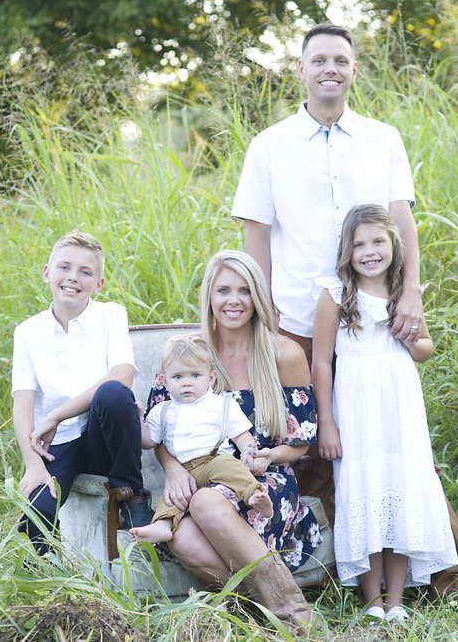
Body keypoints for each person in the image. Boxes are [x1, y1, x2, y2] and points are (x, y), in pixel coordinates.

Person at [231, 21, 458, 599]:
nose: (330, 69)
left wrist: (411, 290)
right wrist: (262, 328)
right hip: (297, 323)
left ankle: (439, 571)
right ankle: (331, 575)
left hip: (375, 316)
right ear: (301, 70)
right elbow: (255, 243)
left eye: (340, 60)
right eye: (319, 60)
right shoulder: (269, 146)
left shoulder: (382, 138)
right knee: (314, 447)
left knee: (389, 439)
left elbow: (402, 222)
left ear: (354, 69)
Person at [147, 250, 324, 633]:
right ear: (209, 295)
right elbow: (158, 424)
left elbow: (301, 442)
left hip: (263, 480)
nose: (233, 301)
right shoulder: (187, 353)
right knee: (183, 539)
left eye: (244, 290)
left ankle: (297, 618)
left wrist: (266, 455)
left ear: (257, 296)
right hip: (198, 475)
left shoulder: (282, 353)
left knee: (207, 503)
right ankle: (260, 615)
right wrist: (171, 468)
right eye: (223, 290)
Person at [313, 205, 458, 621]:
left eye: (378, 241)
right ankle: (371, 599)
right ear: (347, 251)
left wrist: (410, 336)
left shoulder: (403, 295)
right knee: (366, 489)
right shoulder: (335, 294)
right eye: (359, 244)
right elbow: (322, 360)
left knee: (399, 489)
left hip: (400, 406)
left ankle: (396, 599)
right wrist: (326, 421)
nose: (369, 251)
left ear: (394, 245)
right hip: (356, 408)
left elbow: (426, 349)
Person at [12, 230, 152, 555]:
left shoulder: (110, 315)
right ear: (47, 273)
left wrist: (57, 414)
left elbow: (122, 375)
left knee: (114, 393)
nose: (73, 278)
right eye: (64, 267)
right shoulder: (28, 332)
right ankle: (51, 581)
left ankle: (132, 493)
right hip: (57, 446)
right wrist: (33, 464)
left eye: (85, 272)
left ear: (98, 284)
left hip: (100, 437)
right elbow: (22, 404)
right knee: (36, 514)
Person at [130, 334, 273, 544]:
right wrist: (135, 419)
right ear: (164, 380)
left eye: (195, 375)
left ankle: (255, 495)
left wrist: (248, 452)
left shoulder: (221, 405)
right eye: (177, 377)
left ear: (211, 378)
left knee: (230, 466)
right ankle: (163, 525)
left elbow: (242, 435)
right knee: (171, 497)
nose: (187, 383)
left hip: (213, 461)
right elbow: (148, 441)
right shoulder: (162, 410)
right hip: (183, 471)